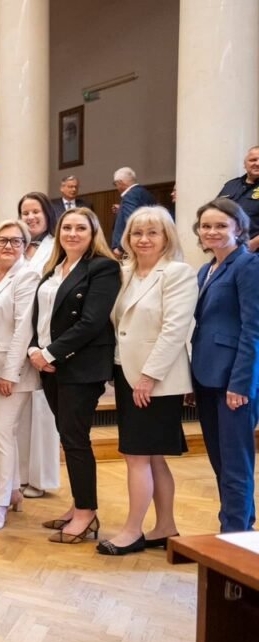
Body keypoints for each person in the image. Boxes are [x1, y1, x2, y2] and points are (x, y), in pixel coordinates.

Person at [101, 206, 196, 554]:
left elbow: (175, 329)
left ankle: (132, 531)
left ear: (166, 237)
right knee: (152, 456)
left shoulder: (177, 273)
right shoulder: (124, 271)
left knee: (136, 455)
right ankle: (166, 526)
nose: (143, 239)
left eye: (152, 232)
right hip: (126, 373)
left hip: (155, 379)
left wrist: (149, 376)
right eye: (137, 232)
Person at [29, 208, 120, 544]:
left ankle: (86, 513)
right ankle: (78, 504)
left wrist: (49, 353)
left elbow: (92, 322)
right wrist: (34, 350)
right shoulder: (54, 268)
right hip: (51, 364)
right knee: (68, 437)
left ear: (93, 232)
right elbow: (41, 317)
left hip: (80, 367)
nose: (72, 233)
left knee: (76, 439)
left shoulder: (103, 267)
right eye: (67, 227)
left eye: (81, 228)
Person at [190, 198, 259, 532]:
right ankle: (240, 524)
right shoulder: (207, 270)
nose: (212, 231)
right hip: (207, 377)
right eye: (206, 226)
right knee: (220, 460)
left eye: (221, 225)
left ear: (238, 228)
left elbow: (253, 329)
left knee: (235, 463)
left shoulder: (248, 265)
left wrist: (241, 383)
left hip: (234, 381)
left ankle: (234, 534)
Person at [0, 219, 39, 531]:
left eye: (17, 241)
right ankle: (12, 490)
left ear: (25, 246)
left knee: (1, 432)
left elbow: (23, 328)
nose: (9, 246)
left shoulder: (27, 275)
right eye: (2, 240)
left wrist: (10, 373)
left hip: (11, 371)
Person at [16, 191, 62, 498]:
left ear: (47, 214)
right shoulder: (17, 245)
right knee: (20, 410)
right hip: (16, 335)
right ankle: (20, 474)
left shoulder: (55, 247)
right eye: (26, 212)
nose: (31, 217)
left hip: (43, 336)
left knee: (42, 409)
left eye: (36, 212)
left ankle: (41, 478)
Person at [217, 146, 259, 248]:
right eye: (253, 160)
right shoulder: (230, 185)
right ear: (245, 164)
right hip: (225, 248)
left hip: (253, 251)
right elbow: (214, 211)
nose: (257, 163)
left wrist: (252, 245)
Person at [110, 167, 157, 254]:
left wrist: (120, 248)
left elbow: (132, 223)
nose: (116, 187)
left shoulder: (130, 196)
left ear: (120, 182)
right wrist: (121, 210)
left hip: (129, 250)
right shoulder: (145, 193)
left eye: (115, 184)